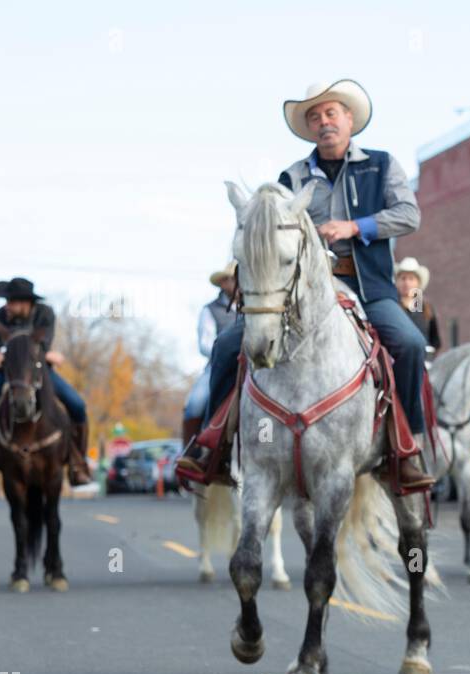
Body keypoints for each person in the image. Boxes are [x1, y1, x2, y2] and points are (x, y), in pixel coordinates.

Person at [180, 79, 434, 490]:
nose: (323, 122)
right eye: (315, 117)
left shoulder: (382, 164)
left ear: (349, 119)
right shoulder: (292, 176)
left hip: (368, 286)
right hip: (299, 291)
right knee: (228, 346)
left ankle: (407, 448)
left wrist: (354, 226)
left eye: (331, 113)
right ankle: (212, 443)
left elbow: (408, 215)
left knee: (406, 343)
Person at [0, 277, 90, 494]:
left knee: (77, 405)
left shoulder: (45, 313)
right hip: (10, 374)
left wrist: (47, 355)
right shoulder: (0, 317)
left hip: (41, 371)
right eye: (6, 301)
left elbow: (42, 344)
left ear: (25, 303)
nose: (6, 305)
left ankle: (78, 463)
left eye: (11, 301)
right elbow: (3, 346)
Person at [181, 263, 237, 446]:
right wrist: (226, 351)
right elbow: (205, 344)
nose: (237, 282)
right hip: (218, 366)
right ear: (222, 283)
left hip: (254, 365)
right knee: (195, 404)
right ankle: (193, 451)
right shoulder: (210, 310)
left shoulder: (253, 306)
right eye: (232, 278)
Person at [395, 256, 442, 355]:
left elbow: (435, 341)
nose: (407, 283)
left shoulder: (426, 308)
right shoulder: (393, 307)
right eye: (403, 278)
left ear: (418, 282)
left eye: (411, 279)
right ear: (397, 281)